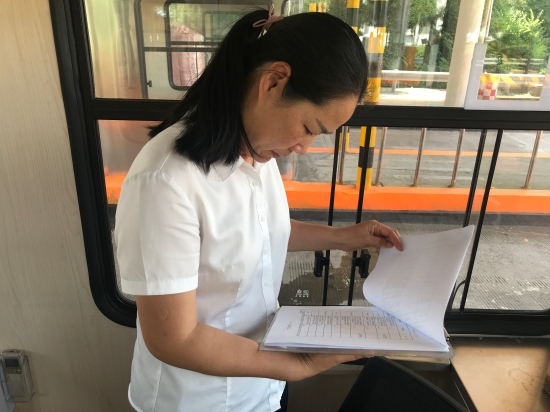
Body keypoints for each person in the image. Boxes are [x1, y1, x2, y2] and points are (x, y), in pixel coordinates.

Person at [114, 5, 403, 412]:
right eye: (308, 128)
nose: (304, 147)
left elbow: (263, 232)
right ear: (273, 81)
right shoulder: (165, 180)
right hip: (198, 401)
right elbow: (173, 339)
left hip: (261, 389)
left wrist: (343, 238)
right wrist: (298, 364)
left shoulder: (255, 151)